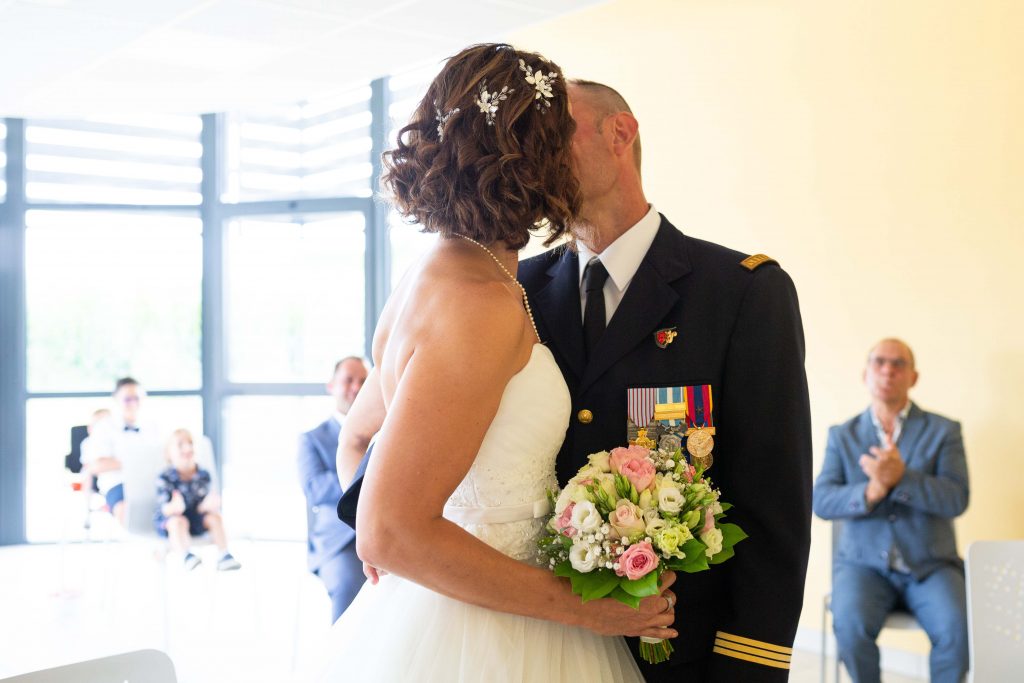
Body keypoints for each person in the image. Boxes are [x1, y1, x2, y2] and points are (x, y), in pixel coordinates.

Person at [308, 44, 677, 683]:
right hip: (488, 637)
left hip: (458, 606)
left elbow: (361, 433)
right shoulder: (478, 301)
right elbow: (387, 532)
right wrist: (596, 615)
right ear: (532, 158)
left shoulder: (441, 271)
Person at [516, 80, 814, 681]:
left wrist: (748, 665)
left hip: (677, 652)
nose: (534, 160)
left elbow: (771, 506)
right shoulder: (514, 292)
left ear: (619, 133)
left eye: (553, 136)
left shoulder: (740, 293)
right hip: (531, 639)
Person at [813, 339, 969, 683]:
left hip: (931, 566)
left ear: (913, 377)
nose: (888, 370)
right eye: (880, 362)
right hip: (862, 566)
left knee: (958, 630)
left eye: (899, 364)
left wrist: (903, 479)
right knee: (850, 628)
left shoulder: (944, 431)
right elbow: (822, 501)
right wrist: (871, 491)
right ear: (865, 373)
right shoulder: (842, 435)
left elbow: (957, 498)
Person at [298, 356, 368, 621]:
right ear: (331, 386)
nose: (356, 387)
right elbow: (315, 488)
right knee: (348, 583)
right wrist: (367, 474)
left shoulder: (384, 433)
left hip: (385, 533)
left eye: (363, 381)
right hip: (337, 543)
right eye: (348, 380)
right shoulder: (311, 439)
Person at [79, 377, 162, 526]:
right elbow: (96, 465)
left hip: (151, 482)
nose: (133, 403)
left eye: (137, 398)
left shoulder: (153, 426)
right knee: (127, 512)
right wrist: (134, 462)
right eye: (127, 399)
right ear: (116, 399)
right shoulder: (104, 427)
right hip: (119, 484)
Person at [155, 428, 241, 571]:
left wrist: (207, 505)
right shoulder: (165, 477)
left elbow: (202, 505)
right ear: (169, 454)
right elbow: (165, 509)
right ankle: (186, 555)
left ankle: (224, 554)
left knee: (215, 517)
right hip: (173, 518)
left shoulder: (203, 475)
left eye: (190, 443)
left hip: (196, 517)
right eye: (180, 445)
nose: (187, 447)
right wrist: (175, 507)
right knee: (177, 522)